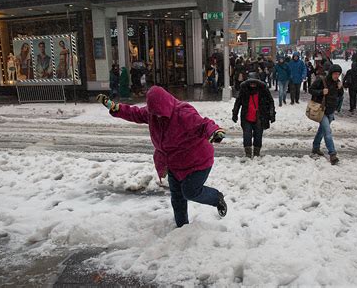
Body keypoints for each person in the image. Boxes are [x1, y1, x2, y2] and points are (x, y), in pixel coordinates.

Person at [96, 87, 228, 228]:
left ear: (166, 105)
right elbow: (134, 113)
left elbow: (204, 124)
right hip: (174, 163)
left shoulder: (183, 113)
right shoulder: (152, 113)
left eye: (160, 113)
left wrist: (215, 131)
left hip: (197, 162)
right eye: (155, 113)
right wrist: (114, 107)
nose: (158, 116)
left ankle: (216, 198)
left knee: (190, 192)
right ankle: (182, 228)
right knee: (177, 198)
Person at [309, 64, 344, 165]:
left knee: (322, 130)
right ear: (331, 73)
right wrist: (321, 92)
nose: (337, 76)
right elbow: (311, 90)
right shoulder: (322, 80)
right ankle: (332, 154)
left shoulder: (337, 83)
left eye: (338, 74)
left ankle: (315, 147)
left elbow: (340, 95)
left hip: (331, 111)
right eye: (335, 74)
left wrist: (340, 88)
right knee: (327, 132)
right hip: (321, 110)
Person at [232, 79, 276, 158]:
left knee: (258, 136)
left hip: (259, 117)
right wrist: (235, 113)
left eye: (254, 83)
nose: (252, 85)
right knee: (247, 136)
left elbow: (270, 101)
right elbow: (238, 102)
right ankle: (248, 154)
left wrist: (272, 114)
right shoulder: (244, 90)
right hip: (247, 117)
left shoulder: (263, 90)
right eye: (251, 83)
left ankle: (256, 153)